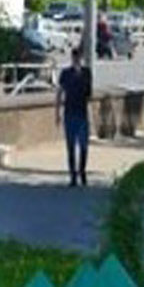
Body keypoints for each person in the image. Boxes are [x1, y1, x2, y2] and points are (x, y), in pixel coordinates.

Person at [57, 46, 94, 187]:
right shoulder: (65, 73)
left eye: (78, 57)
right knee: (71, 146)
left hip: (82, 113)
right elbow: (60, 93)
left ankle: (82, 171)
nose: (76, 59)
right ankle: (73, 175)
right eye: (74, 57)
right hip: (69, 113)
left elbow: (89, 95)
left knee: (84, 146)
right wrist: (57, 113)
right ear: (72, 58)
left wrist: (91, 115)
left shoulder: (86, 73)